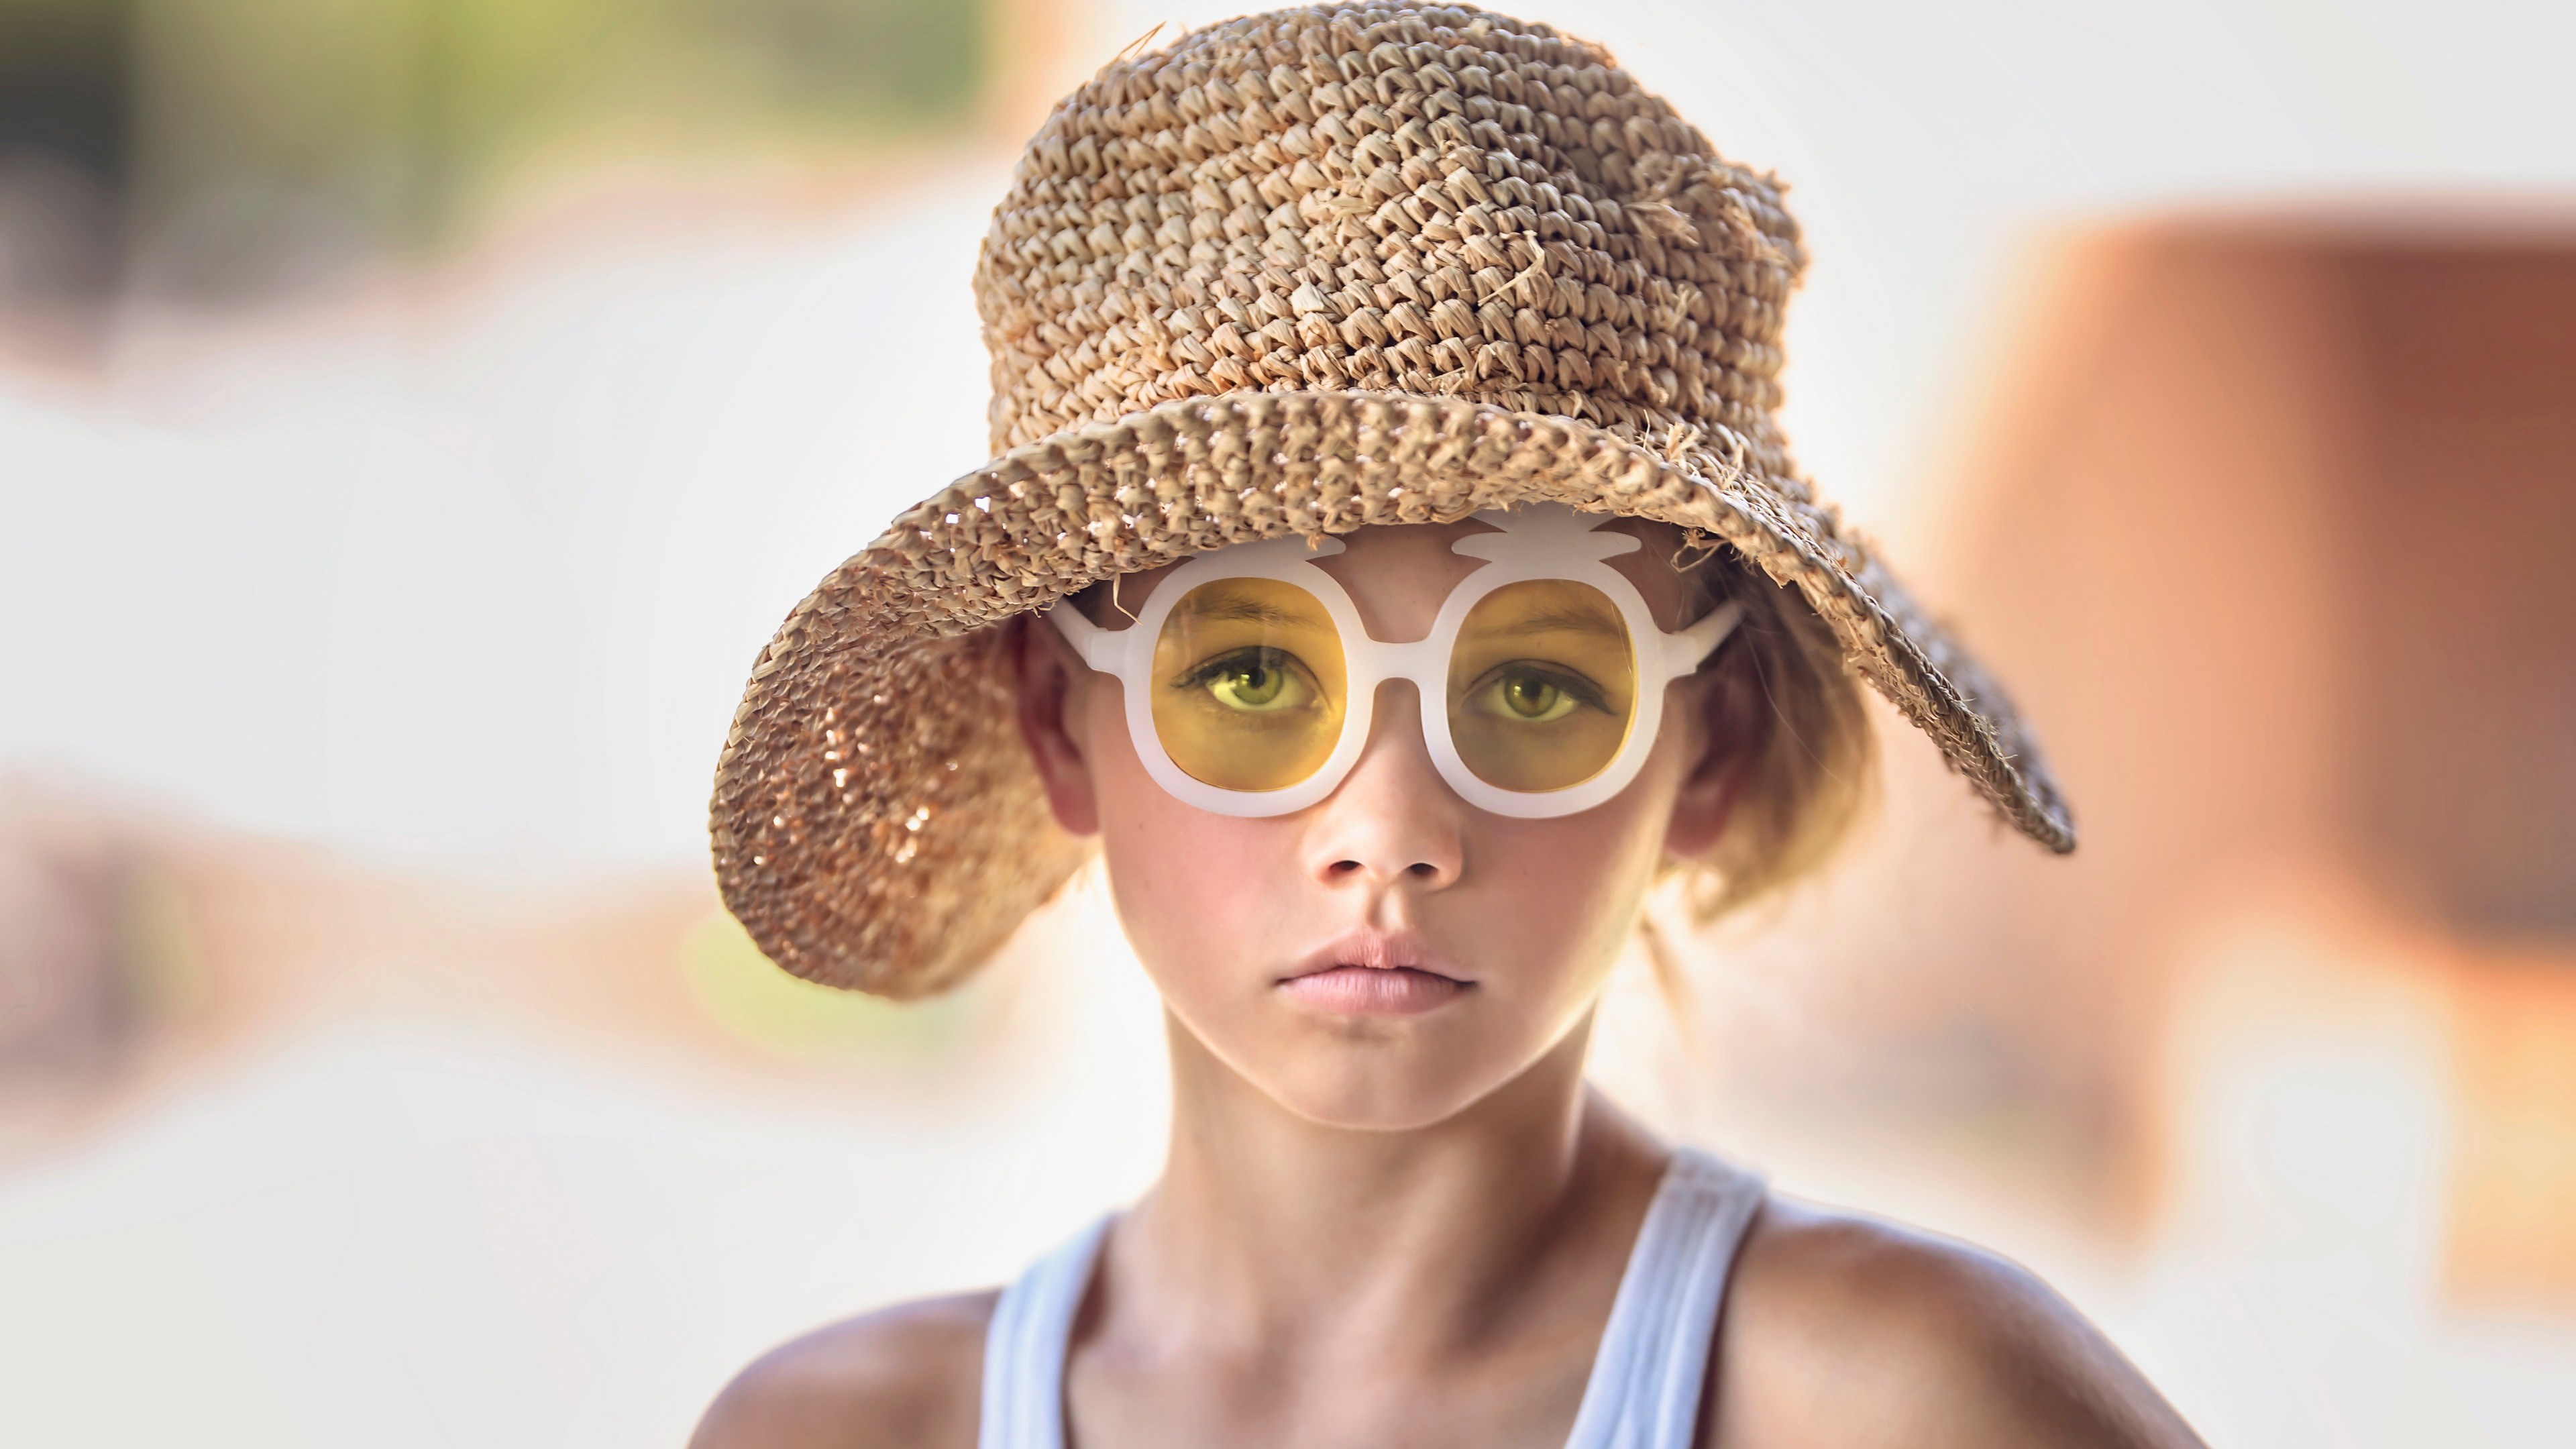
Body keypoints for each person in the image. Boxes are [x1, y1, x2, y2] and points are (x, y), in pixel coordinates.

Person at [694, 6, 2200, 1446]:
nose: (1389, 833)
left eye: (1539, 688)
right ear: (1057, 717)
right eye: (1252, 676)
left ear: (1713, 750)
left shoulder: (1908, 1410)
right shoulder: (839, 1434)